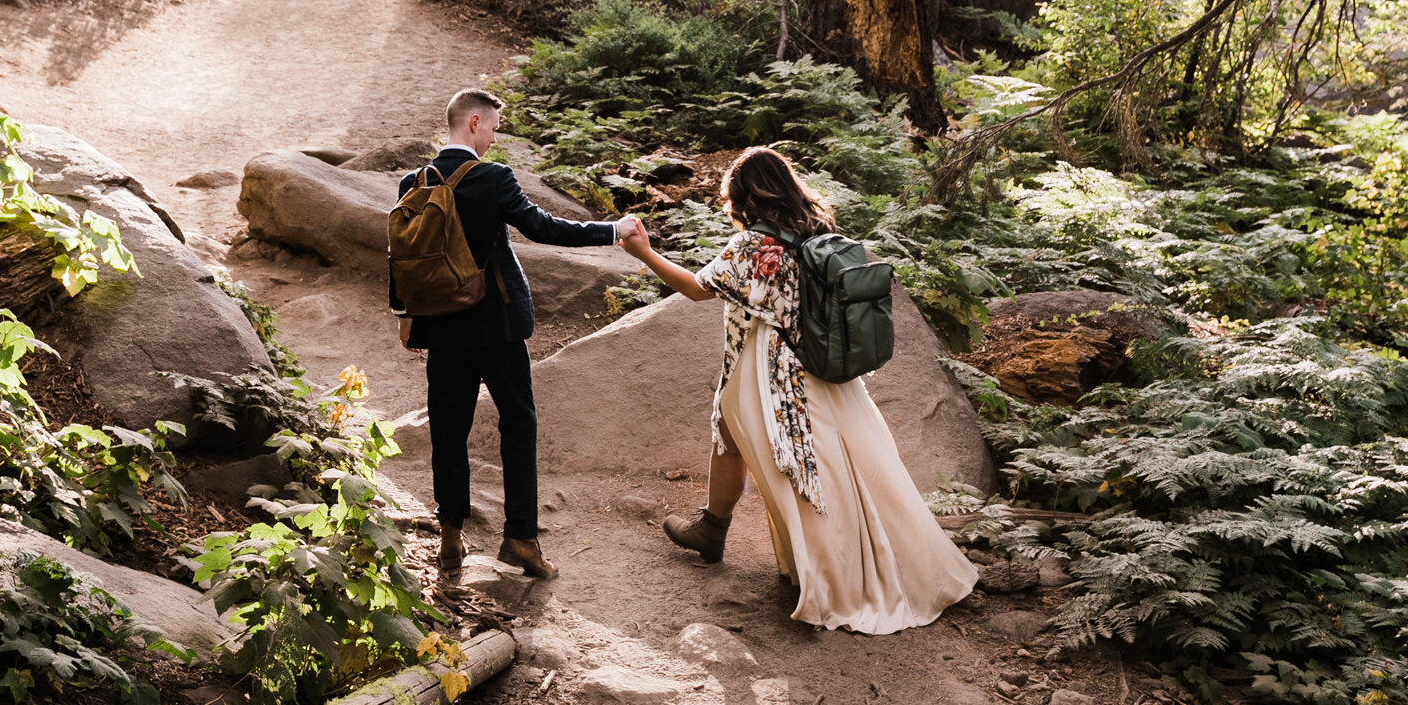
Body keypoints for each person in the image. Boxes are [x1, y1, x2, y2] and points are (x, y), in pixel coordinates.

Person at [618, 144, 978, 634]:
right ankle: (713, 529)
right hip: (818, 358)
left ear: (744, 196)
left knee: (795, 461)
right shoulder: (818, 232)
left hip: (771, 362)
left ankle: (827, 572)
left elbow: (700, 289)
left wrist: (644, 253)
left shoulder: (754, 246)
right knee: (828, 453)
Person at [394, 87, 642, 583]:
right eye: (492, 127)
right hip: (496, 326)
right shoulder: (492, 177)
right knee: (518, 424)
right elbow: (542, 228)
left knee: (448, 430)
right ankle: (521, 539)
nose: (493, 137)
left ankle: (449, 536)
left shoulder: (413, 180)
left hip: (440, 325)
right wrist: (614, 231)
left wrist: (406, 314)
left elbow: (401, 255)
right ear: (472, 123)